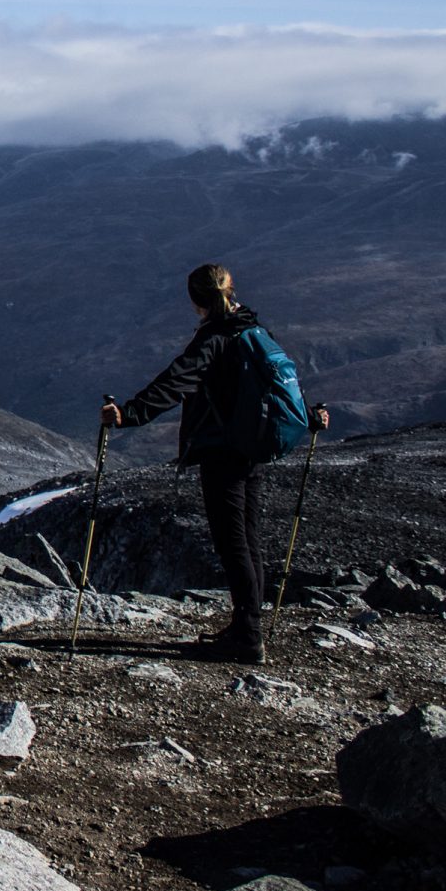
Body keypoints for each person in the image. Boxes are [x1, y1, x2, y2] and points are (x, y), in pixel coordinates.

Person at [101, 263, 327, 663]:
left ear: (195, 302)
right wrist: (309, 418)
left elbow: (176, 381)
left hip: (223, 452)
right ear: (230, 289)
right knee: (248, 538)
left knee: (232, 542)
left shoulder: (215, 340)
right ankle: (246, 627)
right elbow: (277, 387)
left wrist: (128, 414)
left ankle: (247, 637)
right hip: (253, 450)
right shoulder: (253, 331)